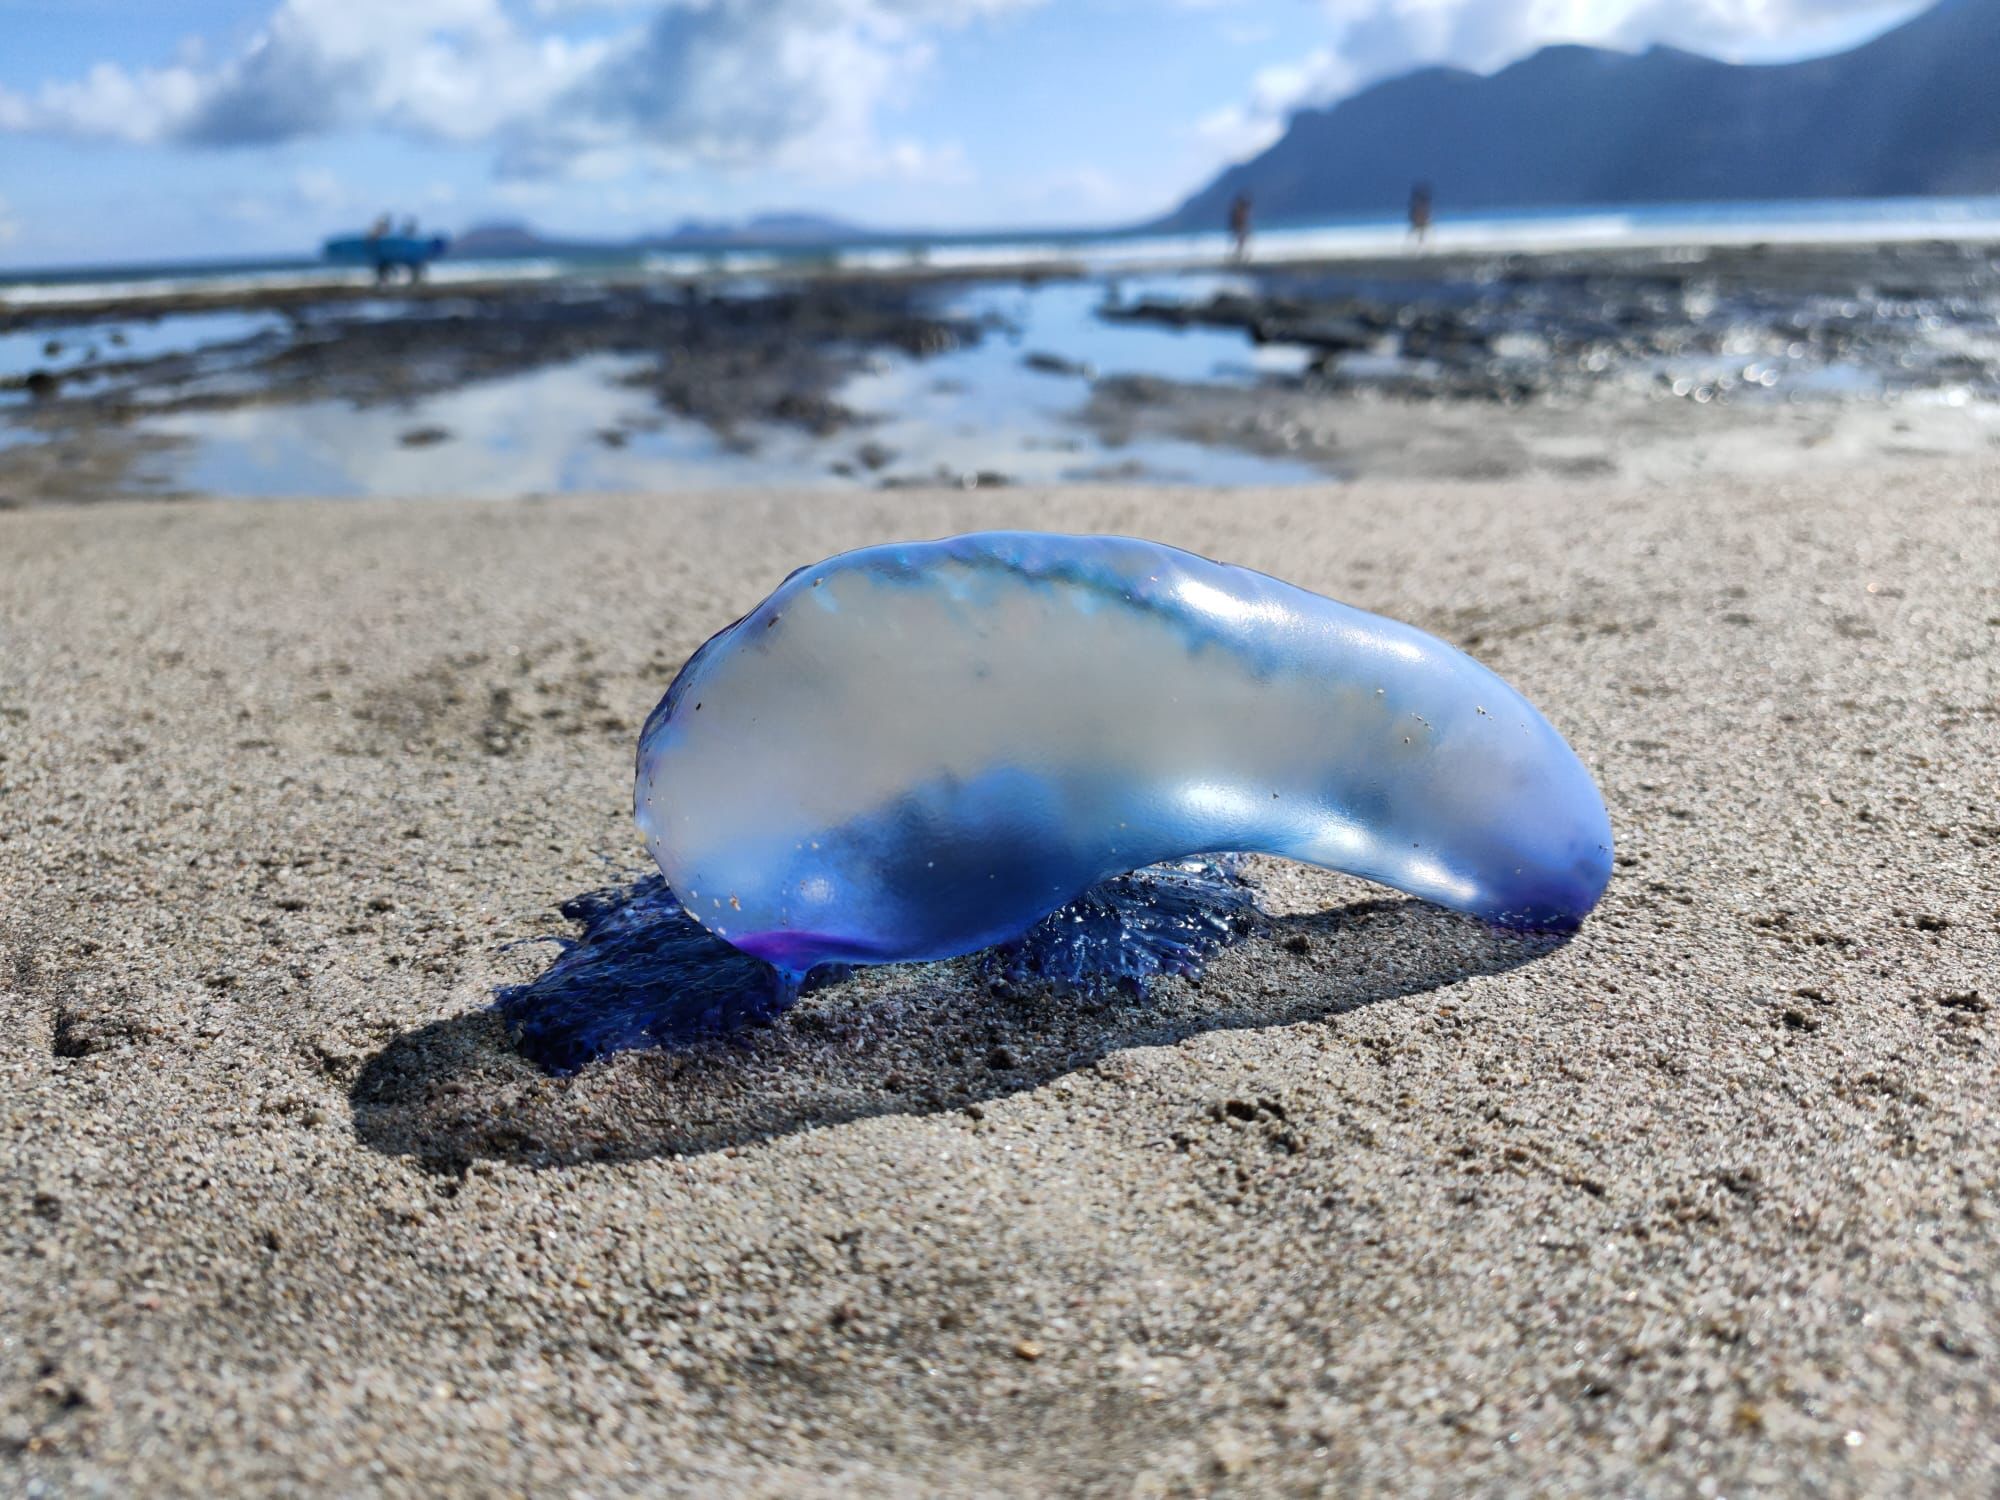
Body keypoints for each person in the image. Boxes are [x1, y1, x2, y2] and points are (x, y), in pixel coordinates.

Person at [1228, 193, 1253, 262]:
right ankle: (1239, 256)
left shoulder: (1238, 209)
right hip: (1239, 228)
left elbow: (1243, 220)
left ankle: (1240, 256)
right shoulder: (1238, 210)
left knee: (1241, 243)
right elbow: (1239, 220)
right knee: (1241, 243)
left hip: (1240, 228)